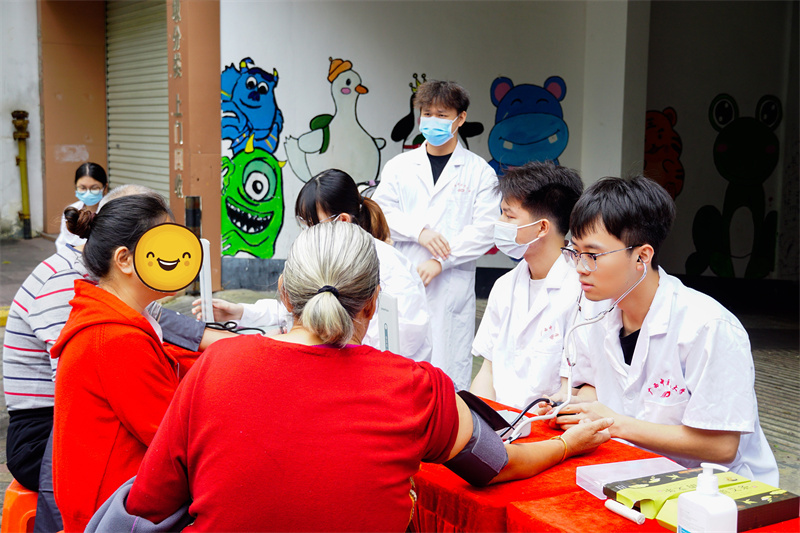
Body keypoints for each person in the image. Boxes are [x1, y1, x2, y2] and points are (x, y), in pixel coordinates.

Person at [91, 222, 614, 532]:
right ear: (373, 303)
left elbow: (148, 503)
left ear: (282, 295)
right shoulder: (415, 385)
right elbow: (497, 465)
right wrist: (567, 444)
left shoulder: (217, 366)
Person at [2, 185, 230, 532]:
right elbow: (175, 441)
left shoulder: (116, 315)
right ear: (124, 259)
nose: (179, 256)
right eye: (164, 245)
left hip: (114, 502)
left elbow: (172, 359)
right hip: (113, 515)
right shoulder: (115, 339)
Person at [550, 175, 779, 485]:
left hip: (712, 490)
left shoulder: (708, 326)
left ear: (642, 256)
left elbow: (722, 446)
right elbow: (592, 385)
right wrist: (578, 407)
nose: (580, 267)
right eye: (574, 252)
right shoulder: (592, 311)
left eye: (592, 255)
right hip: (629, 474)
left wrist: (615, 423)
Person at [195, 169, 433, 362]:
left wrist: (338, 347)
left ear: (342, 220)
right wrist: (241, 312)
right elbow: (300, 305)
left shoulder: (388, 264)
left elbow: (405, 336)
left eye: (313, 225)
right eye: (304, 224)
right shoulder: (323, 258)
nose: (307, 233)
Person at [372, 80, 500, 389]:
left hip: (450, 287)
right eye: (427, 113)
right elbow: (381, 211)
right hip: (404, 276)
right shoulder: (399, 166)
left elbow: (486, 230)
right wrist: (419, 232)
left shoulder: (479, 172)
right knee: (399, 369)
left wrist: (442, 261)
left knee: (447, 376)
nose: (433, 121)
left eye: (442, 115)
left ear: (461, 118)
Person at [470, 162, 583, 409]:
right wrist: (481, 419)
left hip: (546, 425)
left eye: (508, 216)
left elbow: (571, 389)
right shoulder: (504, 286)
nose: (499, 222)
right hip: (498, 422)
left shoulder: (580, 291)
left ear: (542, 227)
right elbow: (487, 371)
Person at [55, 162, 108, 251]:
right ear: (76, 187)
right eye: (82, 188)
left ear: (105, 187)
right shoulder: (72, 210)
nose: (88, 193)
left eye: (94, 188)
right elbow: (63, 242)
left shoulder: (111, 211)